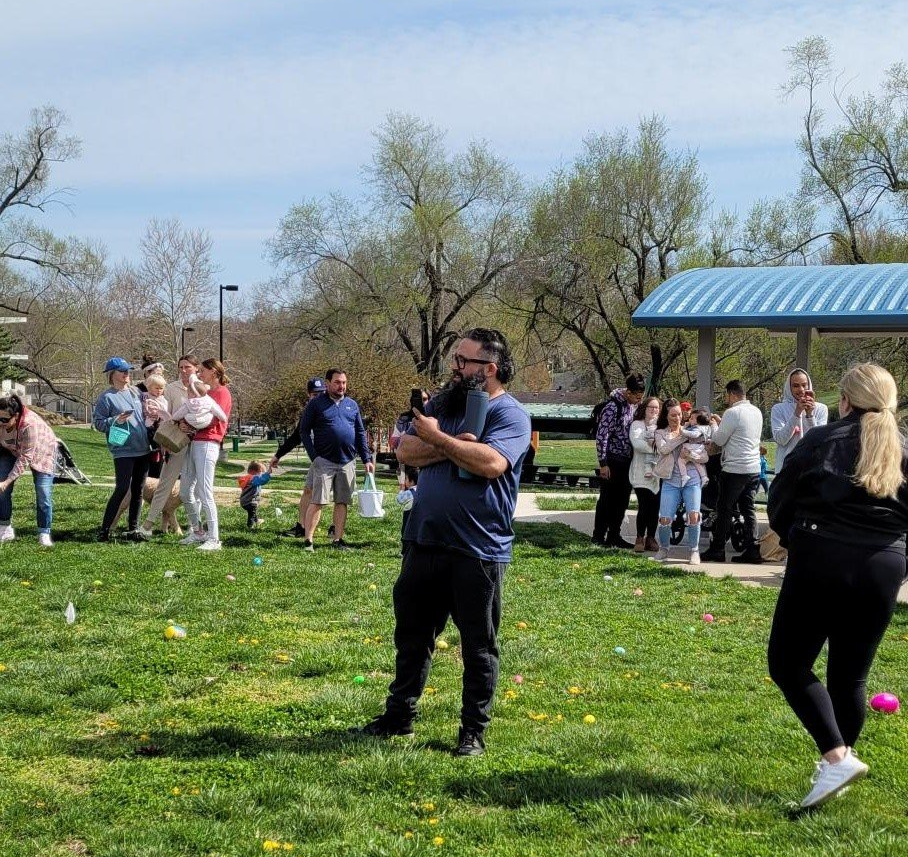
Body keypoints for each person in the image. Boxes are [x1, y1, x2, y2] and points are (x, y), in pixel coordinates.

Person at [355, 328, 531, 756]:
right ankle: (399, 716)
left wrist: (438, 440)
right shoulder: (443, 406)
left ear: (488, 369)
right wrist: (450, 444)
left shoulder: (510, 414)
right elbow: (406, 452)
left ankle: (473, 731)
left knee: (478, 645)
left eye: (463, 361)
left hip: (477, 548)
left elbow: (491, 462)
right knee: (412, 636)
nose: (454, 367)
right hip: (424, 540)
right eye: (455, 359)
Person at [767, 363, 908, 809]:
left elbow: (779, 500)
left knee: (789, 666)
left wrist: (796, 541)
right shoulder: (904, 447)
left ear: (844, 401)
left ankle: (836, 756)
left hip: (822, 555)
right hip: (883, 565)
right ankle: (835, 767)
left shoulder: (821, 440)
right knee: (850, 677)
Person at [298, 369, 374, 551]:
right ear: (328, 383)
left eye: (344, 383)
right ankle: (308, 541)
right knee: (318, 501)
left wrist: (367, 458)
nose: (342, 386)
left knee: (342, 502)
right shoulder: (316, 404)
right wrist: (314, 456)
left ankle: (337, 540)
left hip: (347, 461)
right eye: (338, 382)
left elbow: (360, 433)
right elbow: (303, 430)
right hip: (323, 461)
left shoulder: (352, 405)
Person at [700, 380, 764, 564]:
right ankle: (753, 548)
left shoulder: (732, 412)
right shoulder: (756, 412)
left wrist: (717, 425)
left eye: (726, 395)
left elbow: (719, 439)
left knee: (724, 508)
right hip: (753, 468)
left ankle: (718, 548)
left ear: (731, 394)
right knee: (748, 508)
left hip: (734, 468)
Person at [137, 355, 199, 537]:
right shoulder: (171, 388)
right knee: (165, 483)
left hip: (198, 443)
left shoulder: (203, 387)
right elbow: (167, 417)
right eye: (181, 367)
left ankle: (195, 528)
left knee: (196, 488)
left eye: (187, 367)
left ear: (196, 368)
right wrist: (167, 439)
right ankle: (147, 525)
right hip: (176, 443)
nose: (184, 370)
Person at [92, 357, 151, 542]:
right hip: (123, 451)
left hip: (143, 449)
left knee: (138, 490)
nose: (127, 374)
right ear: (112, 375)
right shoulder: (106, 398)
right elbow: (99, 424)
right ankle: (105, 530)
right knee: (122, 488)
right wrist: (115, 420)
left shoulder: (136, 392)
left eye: (128, 371)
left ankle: (133, 529)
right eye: (122, 371)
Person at [178, 358, 232, 551]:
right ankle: (198, 531)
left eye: (203, 371)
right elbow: (191, 410)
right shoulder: (203, 391)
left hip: (208, 443)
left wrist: (190, 422)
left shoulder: (221, 393)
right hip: (194, 442)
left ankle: (214, 538)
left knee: (204, 491)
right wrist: (182, 423)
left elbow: (213, 419)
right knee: (185, 491)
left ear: (214, 372)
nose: (199, 374)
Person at [592, 372, 646, 548]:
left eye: (641, 397)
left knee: (622, 500)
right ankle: (598, 535)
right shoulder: (613, 407)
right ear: (628, 392)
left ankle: (614, 535)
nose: (638, 400)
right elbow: (602, 435)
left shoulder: (632, 407)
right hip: (612, 460)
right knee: (607, 499)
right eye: (636, 396)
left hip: (627, 460)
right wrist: (603, 463)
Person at [653, 399, 709, 565]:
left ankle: (694, 550)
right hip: (671, 480)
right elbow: (663, 449)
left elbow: (705, 456)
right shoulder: (661, 433)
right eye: (673, 415)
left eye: (679, 414)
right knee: (665, 518)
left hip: (692, 478)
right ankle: (664, 549)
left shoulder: (692, 431)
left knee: (693, 514)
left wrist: (692, 455)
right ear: (666, 415)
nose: (677, 418)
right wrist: (681, 436)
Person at [271, 377, 327, 539]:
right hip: (318, 460)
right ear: (309, 395)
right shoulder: (308, 413)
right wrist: (278, 455)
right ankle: (301, 526)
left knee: (335, 495)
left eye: (321, 393)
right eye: (314, 394)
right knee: (308, 490)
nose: (318, 396)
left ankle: (334, 529)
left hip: (335, 458)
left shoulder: (330, 409)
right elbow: (296, 436)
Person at [0, 394, 58, 547]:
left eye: (5, 420)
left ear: (16, 416)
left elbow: (25, 457)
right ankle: (5, 528)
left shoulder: (29, 424)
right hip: (10, 449)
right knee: (2, 491)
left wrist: (7, 481)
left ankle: (44, 532)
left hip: (42, 451)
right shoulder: (1, 423)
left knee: (43, 493)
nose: (1, 423)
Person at [771, 368, 829, 474]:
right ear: (789, 387)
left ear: (809, 385)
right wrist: (797, 413)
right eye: (796, 386)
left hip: (811, 469)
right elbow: (780, 439)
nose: (801, 389)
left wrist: (810, 415)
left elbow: (819, 441)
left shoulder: (821, 409)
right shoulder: (778, 409)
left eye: (804, 385)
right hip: (786, 470)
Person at [628, 396, 661, 552]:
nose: (654, 410)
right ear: (645, 409)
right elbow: (637, 443)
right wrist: (655, 448)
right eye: (651, 407)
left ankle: (651, 537)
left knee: (655, 507)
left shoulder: (660, 426)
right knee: (644, 505)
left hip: (657, 473)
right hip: (640, 472)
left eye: (656, 408)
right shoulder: (637, 425)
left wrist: (658, 447)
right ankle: (640, 537)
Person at [142, 373, 169, 479]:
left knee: (157, 444)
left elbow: (166, 413)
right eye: (156, 388)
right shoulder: (144, 397)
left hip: (159, 427)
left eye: (161, 388)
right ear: (149, 387)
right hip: (147, 426)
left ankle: (157, 451)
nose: (159, 390)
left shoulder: (163, 400)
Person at [679, 408, 712, 488]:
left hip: (693, 448)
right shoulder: (703, 427)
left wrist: (683, 431)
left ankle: (684, 476)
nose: (690, 419)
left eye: (692, 418)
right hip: (697, 449)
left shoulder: (698, 428)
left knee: (680, 460)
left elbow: (695, 435)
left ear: (699, 421)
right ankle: (704, 477)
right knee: (696, 462)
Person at [238, 460, 272, 529]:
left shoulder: (247, 478)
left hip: (244, 501)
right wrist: (268, 473)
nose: (262, 474)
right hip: (251, 501)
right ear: (255, 472)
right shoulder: (253, 479)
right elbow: (263, 480)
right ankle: (250, 526)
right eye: (262, 472)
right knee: (251, 514)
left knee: (252, 512)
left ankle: (257, 520)